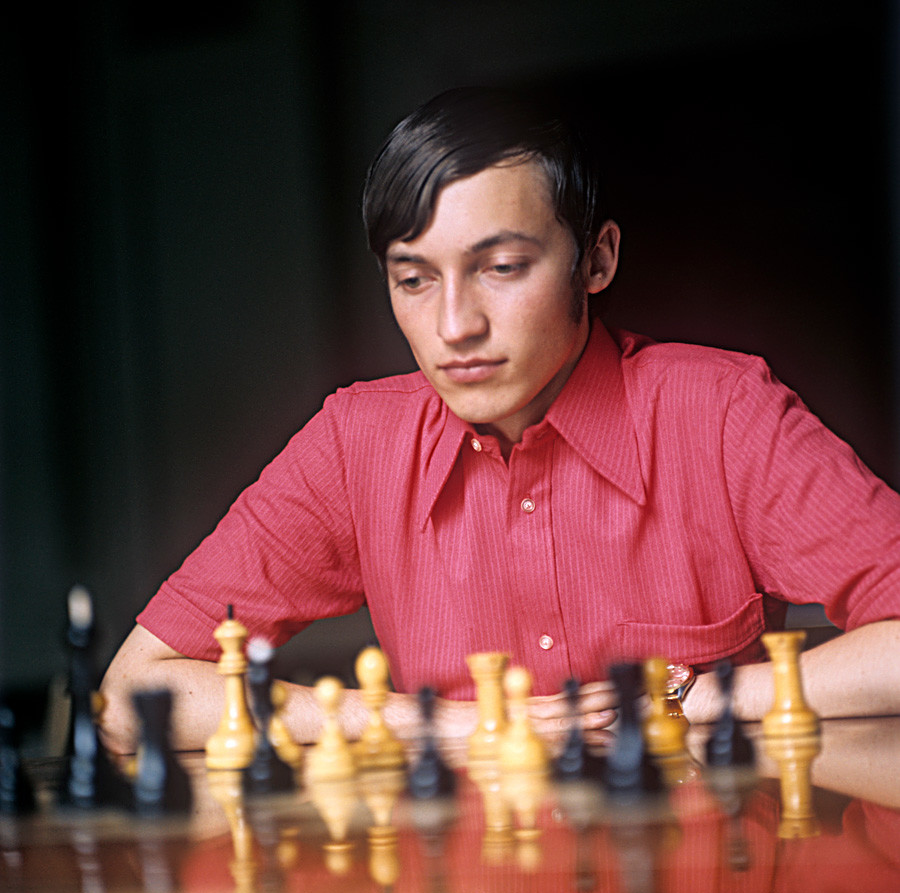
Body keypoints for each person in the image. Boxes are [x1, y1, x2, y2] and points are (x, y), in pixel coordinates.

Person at [100, 86, 900, 755]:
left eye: (502, 268)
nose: (455, 326)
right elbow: (136, 693)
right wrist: (435, 726)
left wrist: (688, 698)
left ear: (597, 259)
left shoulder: (722, 413)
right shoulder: (355, 445)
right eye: (413, 280)